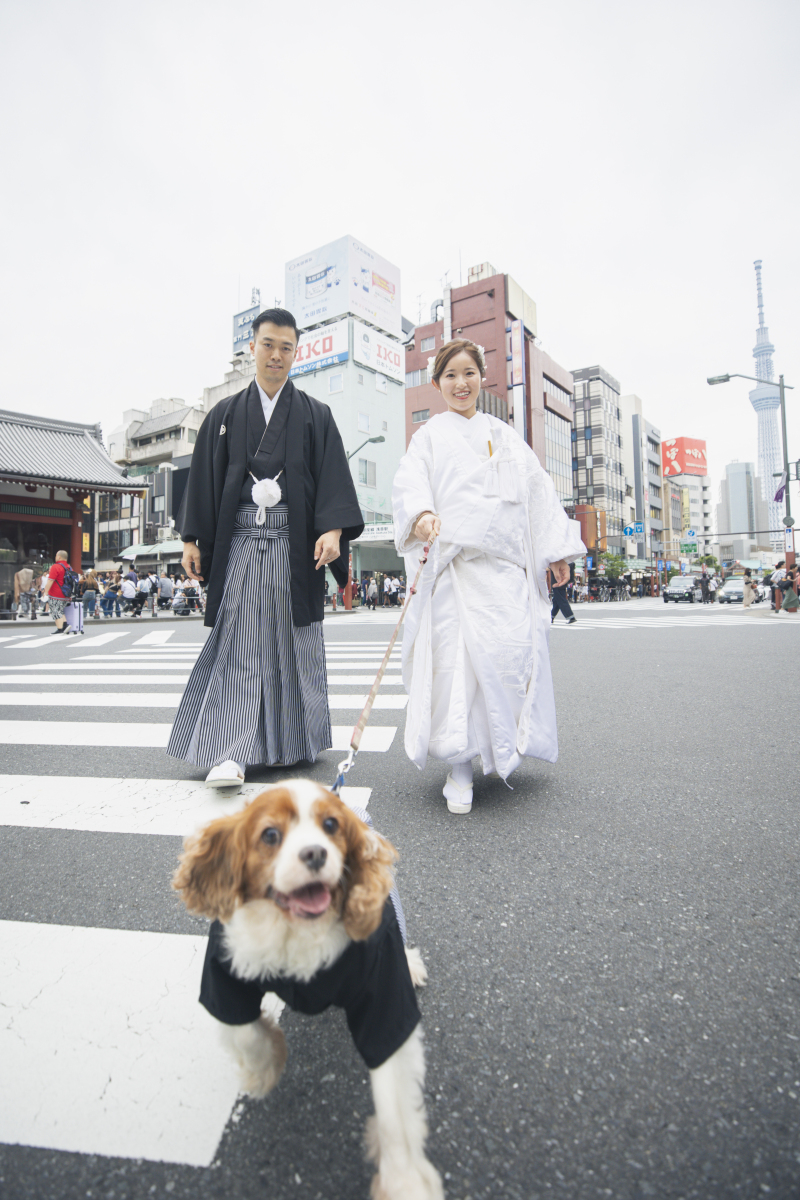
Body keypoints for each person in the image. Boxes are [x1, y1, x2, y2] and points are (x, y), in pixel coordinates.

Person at [167, 307, 364, 788]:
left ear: (296, 353)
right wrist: (191, 538)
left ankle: (291, 742)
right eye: (268, 345)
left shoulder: (316, 415)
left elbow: (332, 480)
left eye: (286, 347)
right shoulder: (224, 414)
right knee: (240, 641)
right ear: (252, 347)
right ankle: (230, 750)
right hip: (240, 544)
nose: (276, 355)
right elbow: (203, 480)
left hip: (296, 548)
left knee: (293, 642)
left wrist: (334, 531)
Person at [392, 338, 585, 814]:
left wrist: (555, 550)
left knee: (505, 658)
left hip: (502, 573)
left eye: (469, 373)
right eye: (451, 375)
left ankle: (499, 747)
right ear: (436, 383)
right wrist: (421, 515)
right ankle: (459, 765)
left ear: (482, 377)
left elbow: (538, 491)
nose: (461, 383)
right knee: (456, 669)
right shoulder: (427, 437)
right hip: (453, 570)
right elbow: (409, 483)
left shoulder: (505, 436)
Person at [41, 550, 75, 635]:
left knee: (55, 611)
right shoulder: (69, 567)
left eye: (56, 555)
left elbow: (50, 580)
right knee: (60, 610)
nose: (55, 557)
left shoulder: (55, 566)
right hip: (66, 593)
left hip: (56, 593)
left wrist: (45, 591)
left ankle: (60, 629)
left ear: (59, 557)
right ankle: (65, 625)